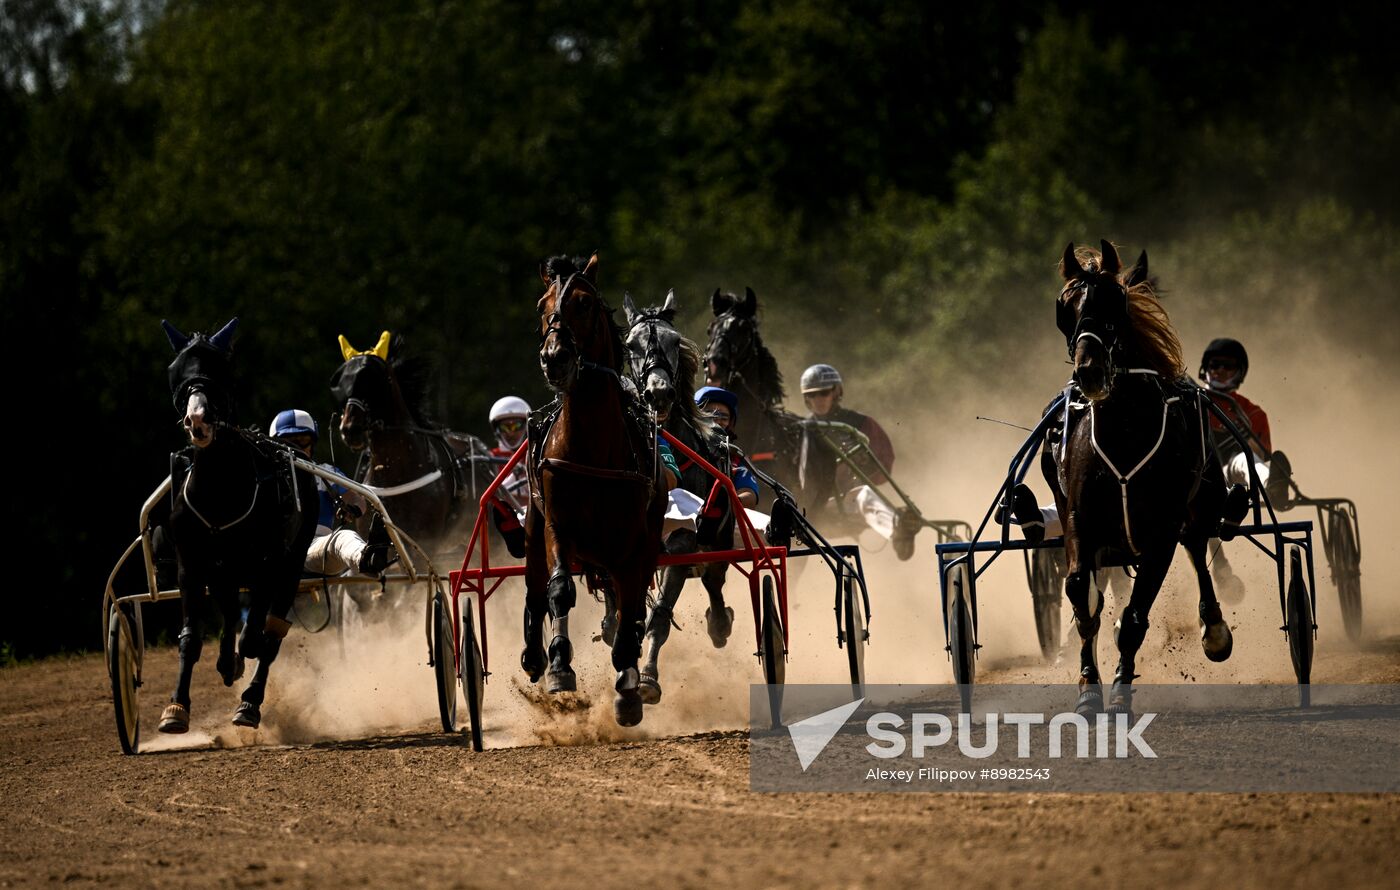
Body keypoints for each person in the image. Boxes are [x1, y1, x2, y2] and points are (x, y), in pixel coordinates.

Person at [269, 409, 394, 578]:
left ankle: (368, 560)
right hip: (272, 553)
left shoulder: (326, 472)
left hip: (314, 549)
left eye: (303, 441)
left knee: (343, 538)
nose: (296, 448)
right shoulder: (264, 476)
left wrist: (352, 509)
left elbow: (356, 499)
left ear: (312, 443)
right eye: (289, 442)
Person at [796, 363, 901, 547]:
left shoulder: (860, 423)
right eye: (812, 395)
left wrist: (864, 465)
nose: (818, 399)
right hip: (817, 508)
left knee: (864, 494)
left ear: (836, 392)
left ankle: (899, 532)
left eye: (824, 393)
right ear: (806, 398)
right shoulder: (801, 430)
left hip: (850, 502)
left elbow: (885, 463)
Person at [1198, 338, 1291, 506]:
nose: (1220, 370)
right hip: (1193, 471)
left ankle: (1273, 488)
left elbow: (1258, 455)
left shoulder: (1252, 413)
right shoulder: (1190, 401)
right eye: (1215, 365)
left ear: (1240, 372)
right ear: (1206, 368)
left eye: (1228, 366)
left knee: (1243, 460)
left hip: (1227, 476)